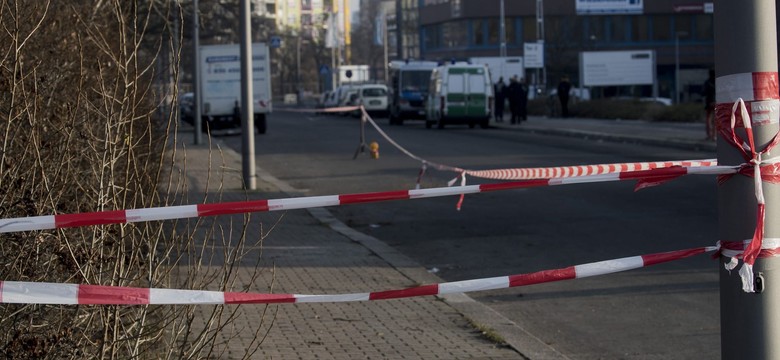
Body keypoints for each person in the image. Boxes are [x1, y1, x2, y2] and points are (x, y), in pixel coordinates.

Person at [703, 69, 716, 140]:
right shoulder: (717, 81)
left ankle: (709, 134)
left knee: (708, 118)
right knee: (715, 119)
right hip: (716, 101)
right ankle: (714, 135)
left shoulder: (707, 82)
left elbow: (703, 92)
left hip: (709, 102)